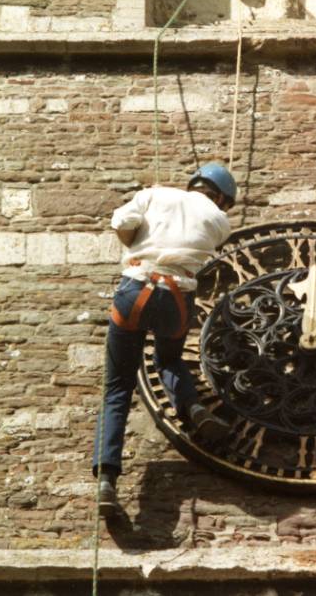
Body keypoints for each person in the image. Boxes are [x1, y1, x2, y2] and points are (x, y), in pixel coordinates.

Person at [92, 162, 237, 515]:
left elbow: (121, 224)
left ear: (195, 183)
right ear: (220, 197)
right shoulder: (220, 219)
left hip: (136, 288)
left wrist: (138, 238)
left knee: (118, 388)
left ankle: (107, 481)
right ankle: (192, 406)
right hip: (177, 297)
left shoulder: (153, 195)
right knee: (169, 359)